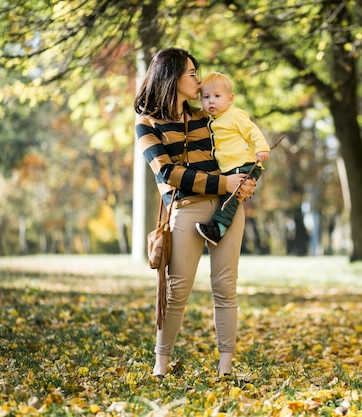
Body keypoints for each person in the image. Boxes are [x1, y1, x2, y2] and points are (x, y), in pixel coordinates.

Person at [133, 48, 256, 378]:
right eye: (191, 73)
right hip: (186, 209)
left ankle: (226, 369)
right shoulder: (147, 125)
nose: (198, 79)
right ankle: (160, 365)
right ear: (171, 77)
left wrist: (245, 180)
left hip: (228, 211)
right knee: (176, 291)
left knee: (225, 288)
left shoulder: (208, 117)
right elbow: (168, 173)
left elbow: (236, 151)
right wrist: (224, 184)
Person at [195, 72, 270, 246]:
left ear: (230, 99)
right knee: (229, 196)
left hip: (243, 164)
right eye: (206, 97)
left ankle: (218, 229)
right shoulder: (211, 120)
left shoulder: (235, 115)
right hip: (230, 167)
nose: (211, 101)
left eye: (217, 96)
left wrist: (261, 148)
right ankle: (217, 227)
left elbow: (252, 131)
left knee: (231, 198)